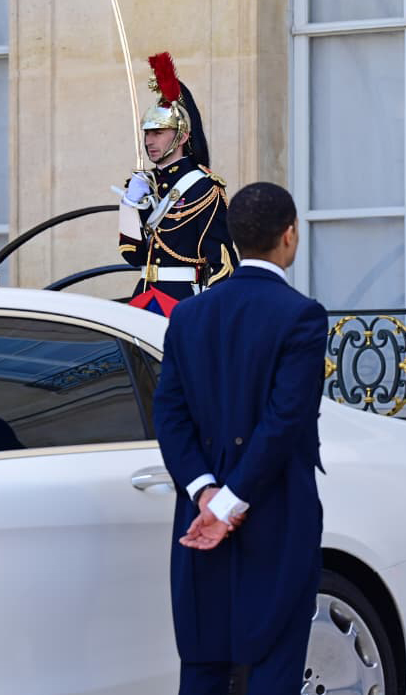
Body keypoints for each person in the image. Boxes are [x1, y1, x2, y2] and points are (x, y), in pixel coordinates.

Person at [153, 182, 327, 693]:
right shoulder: (300, 314)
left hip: (198, 519)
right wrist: (229, 503)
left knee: (203, 669)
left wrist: (205, 492)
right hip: (275, 516)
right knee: (274, 670)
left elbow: (170, 415)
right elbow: (285, 421)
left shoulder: (187, 315)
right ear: (289, 235)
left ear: (231, 239)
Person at [118, 52, 237, 316]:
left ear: (181, 136)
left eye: (158, 133)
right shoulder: (144, 185)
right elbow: (131, 254)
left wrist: (212, 313)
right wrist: (128, 205)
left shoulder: (204, 188)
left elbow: (223, 264)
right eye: (147, 133)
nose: (150, 141)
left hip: (185, 301)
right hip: (145, 296)